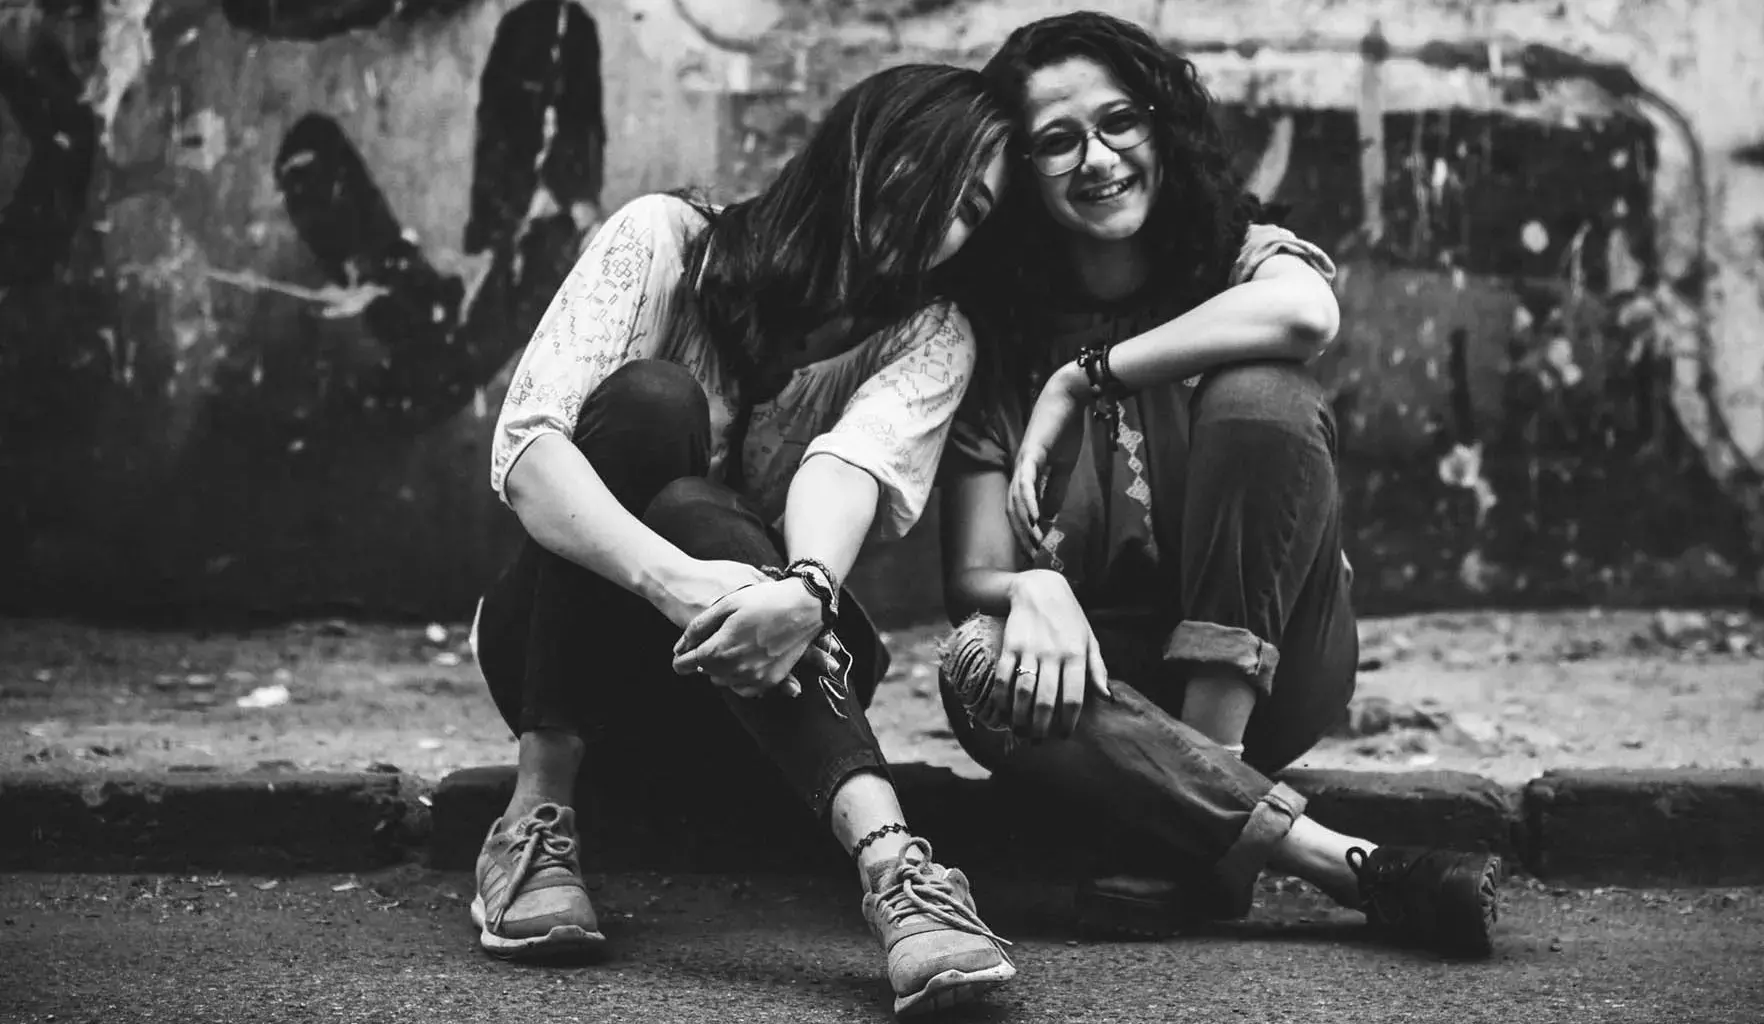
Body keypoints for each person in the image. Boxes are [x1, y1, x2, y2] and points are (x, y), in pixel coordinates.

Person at [936, 12, 1502, 957]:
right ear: (1022, 172)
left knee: (1264, 392)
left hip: (1278, 659)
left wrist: (1088, 375)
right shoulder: (993, 337)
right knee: (971, 663)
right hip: (1104, 694)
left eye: (1121, 121)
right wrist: (1028, 587)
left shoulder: (1233, 259)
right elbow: (971, 575)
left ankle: (1205, 781)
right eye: (1057, 141)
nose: (1099, 158)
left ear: (1161, 124)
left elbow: (1306, 311)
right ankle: (1317, 857)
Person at [469, 64, 1018, 1017]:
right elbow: (527, 456)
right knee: (652, 407)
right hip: (556, 666)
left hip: (766, 686)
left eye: (970, 204)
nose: (937, 214)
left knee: (699, 507)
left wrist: (802, 587)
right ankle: (536, 814)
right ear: (859, 143)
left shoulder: (932, 335)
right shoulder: (664, 241)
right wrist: (674, 578)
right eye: (924, 168)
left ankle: (900, 873)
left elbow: (846, 468)